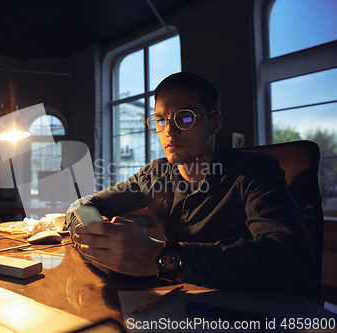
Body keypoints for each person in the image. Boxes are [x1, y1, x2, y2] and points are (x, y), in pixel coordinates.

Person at [67, 72, 318, 293]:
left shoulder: (255, 172)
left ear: (215, 123)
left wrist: (164, 257)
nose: (170, 131)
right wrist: (93, 237)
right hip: (176, 300)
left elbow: (294, 260)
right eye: (161, 120)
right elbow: (85, 204)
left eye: (185, 118)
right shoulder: (153, 175)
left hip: (246, 310)